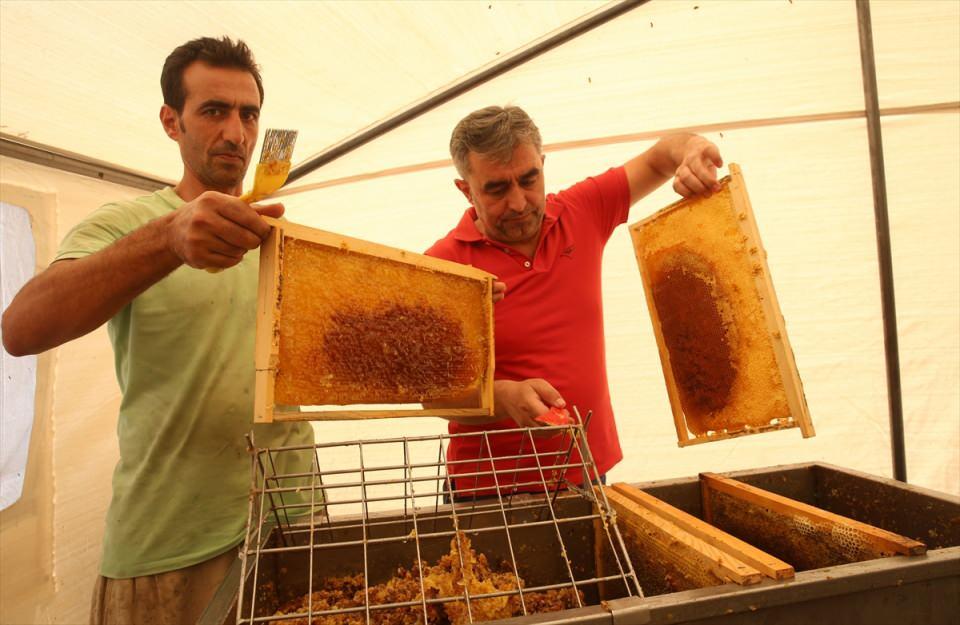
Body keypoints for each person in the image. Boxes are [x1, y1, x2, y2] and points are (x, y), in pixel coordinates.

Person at [1, 37, 314, 625]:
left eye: (249, 114)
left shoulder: (281, 236)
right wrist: (169, 239)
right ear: (172, 122)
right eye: (213, 110)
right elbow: (21, 328)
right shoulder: (129, 223)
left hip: (294, 525)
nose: (237, 133)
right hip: (174, 543)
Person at [425, 105, 722, 500]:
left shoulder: (582, 211)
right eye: (496, 189)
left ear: (543, 164)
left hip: (586, 473)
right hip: (489, 490)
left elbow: (660, 157)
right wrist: (500, 398)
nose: (518, 203)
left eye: (529, 179)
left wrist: (693, 150)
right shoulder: (444, 265)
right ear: (466, 189)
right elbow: (433, 396)